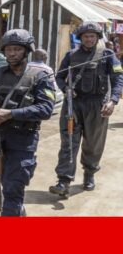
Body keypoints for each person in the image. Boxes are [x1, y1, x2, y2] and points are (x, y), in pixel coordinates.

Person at [0, 29, 55, 216]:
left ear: (27, 51)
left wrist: (11, 113)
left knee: (12, 188)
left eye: (16, 49)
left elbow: (46, 109)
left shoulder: (39, 77)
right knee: (5, 182)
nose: (11, 53)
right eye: (8, 49)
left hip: (23, 141)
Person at [49, 22, 123, 196]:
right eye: (85, 36)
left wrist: (112, 101)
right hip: (73, 105)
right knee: (69, 142)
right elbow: (59, 77)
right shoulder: (71, 55)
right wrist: (66, 89)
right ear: (80, 38)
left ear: (97, 37)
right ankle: (64, 180)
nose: (89, 39)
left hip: (97, 106)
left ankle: (89, 174)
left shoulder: (107, 54)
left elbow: (118, 78)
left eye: (92, 36)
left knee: (93, 143)